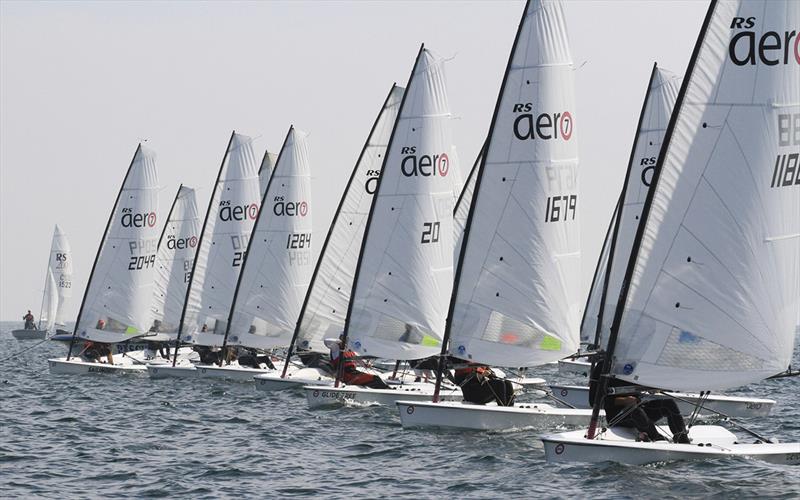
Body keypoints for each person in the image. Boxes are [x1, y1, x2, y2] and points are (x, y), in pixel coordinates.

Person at [589, 357, 690, 444]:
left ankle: (682, 439)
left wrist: (653, 386)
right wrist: (624, 400)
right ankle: (656, 438)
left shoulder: (637, 364)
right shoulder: (603, 365)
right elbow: (593, 401)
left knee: (668, 403)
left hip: (640, 411)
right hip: (617, 416)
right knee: (635, 411)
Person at [325, 338, 390, 389]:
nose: (346, 341)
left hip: (352, 374)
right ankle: (388, 392)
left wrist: (366, 365)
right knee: (375, 379)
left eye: (347, 339)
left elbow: (360, 361)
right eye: (343, 338)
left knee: (376, 379)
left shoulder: (350, 350)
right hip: (345, 375)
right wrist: (341, 341)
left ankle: (387, 391)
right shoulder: (336, 349)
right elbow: (327, 341)